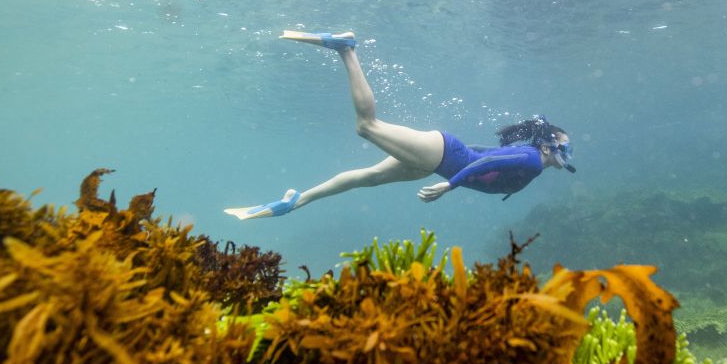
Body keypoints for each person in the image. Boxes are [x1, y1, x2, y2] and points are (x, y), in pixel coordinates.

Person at [224, 31, 575, 220]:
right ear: (546, 146)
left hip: (437, 159)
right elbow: (487, 162)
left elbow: (486, 154)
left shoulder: (528, 156)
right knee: (366, 126)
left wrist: (456, 162)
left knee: (368, 178)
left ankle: (294, 202)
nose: (566, 152)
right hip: (440, 158)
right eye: (563, 144)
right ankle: (346, 49)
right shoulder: (531, 159)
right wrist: (451, 185)